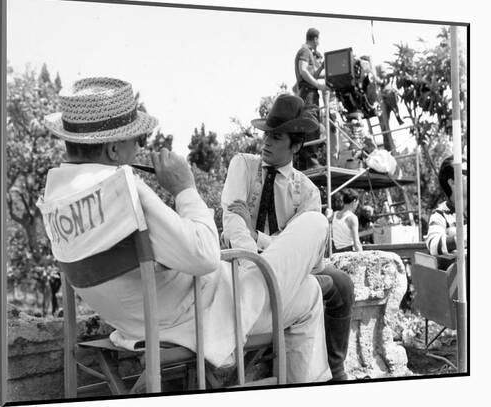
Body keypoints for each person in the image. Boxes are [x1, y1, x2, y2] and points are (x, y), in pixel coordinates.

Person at [37, 77, 331, 384]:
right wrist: (184, 189)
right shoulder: (124, 191)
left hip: (135, 323)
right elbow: (205, 255)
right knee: (316, 226)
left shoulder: (57, 196)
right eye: (135, 138)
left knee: (308, 289)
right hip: (205, 317)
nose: (140, 145)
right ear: (112, 149)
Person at [221, 94, 354, 381]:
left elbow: (306, 251)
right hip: (242, 264)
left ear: (295, 145)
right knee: (316, 286)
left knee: (342, 283)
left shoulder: (307, 191)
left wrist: (258, 237)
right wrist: (255, 254)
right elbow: (232, 220)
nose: (266, 142)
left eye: (276, 136)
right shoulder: (242, 165)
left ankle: (337, 368)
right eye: (266, 134)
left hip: (288, 265)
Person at [293, 27, 329, 169]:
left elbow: (310, 73)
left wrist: (321, 69)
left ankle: (305, 163)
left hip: (310, 93)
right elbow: (303, 70)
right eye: (318, 40)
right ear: (315, 39)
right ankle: (311, 162)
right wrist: (318, 85)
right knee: (311, 126)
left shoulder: (309, 54)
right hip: (308, 93)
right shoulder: (305, 51)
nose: (319, 43)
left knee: (311, 126)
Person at [426, 155, 467, 256]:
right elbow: (433, 246)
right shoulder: (440, 215)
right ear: (452, 182)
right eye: (466, 173)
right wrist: (463, 238)